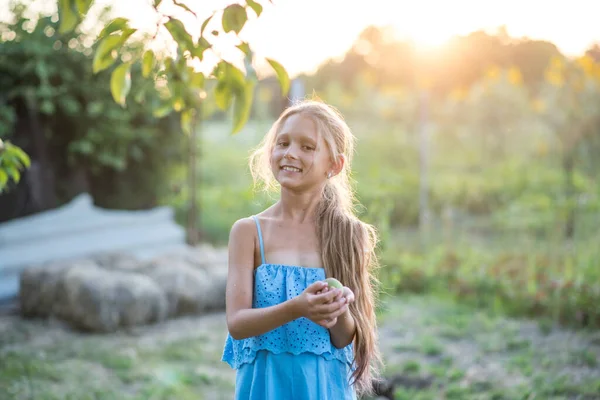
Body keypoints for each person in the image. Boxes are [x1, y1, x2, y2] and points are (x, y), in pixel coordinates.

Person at [221, 99, 382, 399]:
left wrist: (338, 309)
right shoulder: (248, 232)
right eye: (283, 143)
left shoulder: (349, 234)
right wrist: (298, 308)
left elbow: (344, 336)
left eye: (308, 147)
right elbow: (238, 323)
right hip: (265, 388)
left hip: (324, 390)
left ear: (334, 165)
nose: (290, 153)